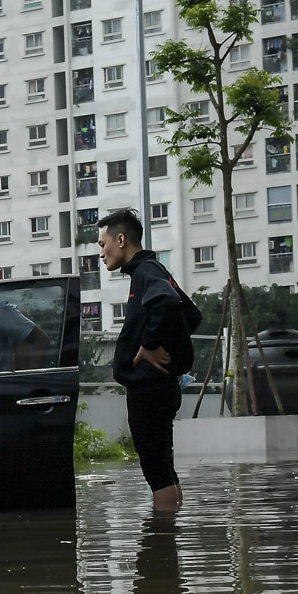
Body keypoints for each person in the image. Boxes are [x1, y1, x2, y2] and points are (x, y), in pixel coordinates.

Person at [100, 207, 194, 514]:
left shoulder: (146, 272)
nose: (102, 253)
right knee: (162, 463)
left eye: (104, 244)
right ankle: (169, 535)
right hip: (159, 386)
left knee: (155, 467)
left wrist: (151, 344)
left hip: (150, 388)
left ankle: (162, 541)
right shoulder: (153, 270)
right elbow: (192, 315)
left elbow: (169, 303)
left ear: (121, 239)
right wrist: (167, 340)